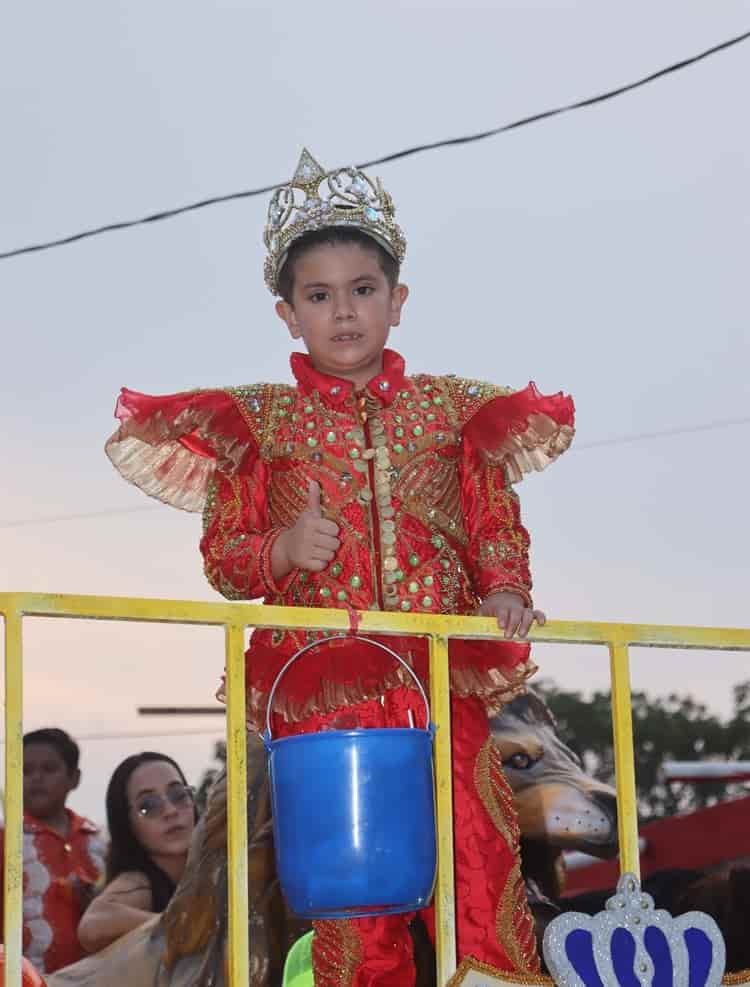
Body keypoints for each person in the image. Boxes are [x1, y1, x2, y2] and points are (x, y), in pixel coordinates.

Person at [104, 148, 575, 985]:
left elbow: (490, 512)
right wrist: (281, 551)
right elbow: (224, 557)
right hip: (326, 692)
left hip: (439, 678)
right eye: (319, 296)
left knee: (478, 850)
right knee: (356, 889)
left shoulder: (452, 407)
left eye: (363, 290)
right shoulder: (261, 423)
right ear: (288, 314)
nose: (344, 312)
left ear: (397, 300)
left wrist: (505, 584)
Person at [0, 729, 105, 975]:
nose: (36, 778)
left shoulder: (99, 842)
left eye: (48, 769)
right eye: (25, 771)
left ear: (74, 778)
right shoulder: (7, 840)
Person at [76, 753, 196, 954]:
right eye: (148, 805)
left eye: (178, 795)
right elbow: (92, 926)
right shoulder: (137, 882)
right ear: (127, 824)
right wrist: (188, 929)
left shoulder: (214, 863)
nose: (170, 811)